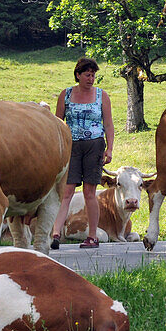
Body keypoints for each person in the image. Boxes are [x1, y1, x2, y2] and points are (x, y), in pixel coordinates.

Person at [50, 57, 114, 249]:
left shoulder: (102, 96)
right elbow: (57, 123)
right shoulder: (66, 95)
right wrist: (57, 149)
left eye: (93, 75)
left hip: (94, 146)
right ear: (78, 75)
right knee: (67, 191)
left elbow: (108, 124)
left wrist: (109, 148)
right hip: (72, 146)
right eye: (87, 75)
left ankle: (92, 236)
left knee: (89, 192)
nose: (91, 78)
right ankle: (55, 233)